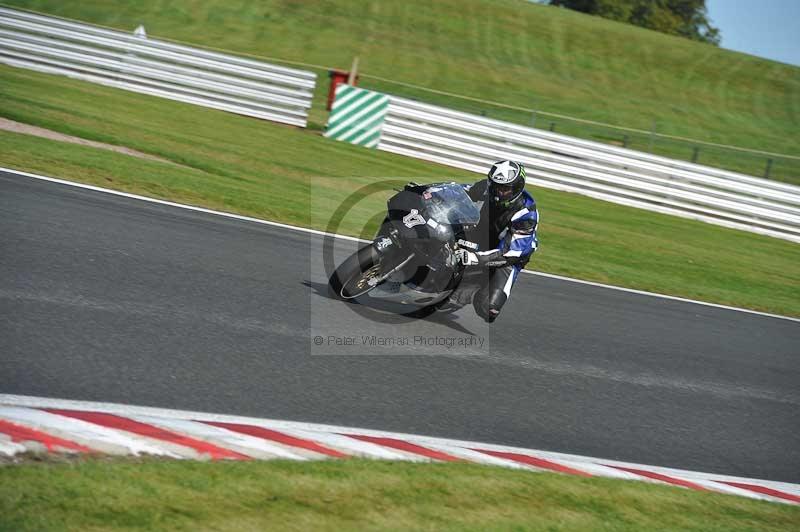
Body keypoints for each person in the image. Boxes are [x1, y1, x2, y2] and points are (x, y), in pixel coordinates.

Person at [454, 160, 539, 323]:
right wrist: (428, 192)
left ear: (517, 187)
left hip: (508, 257)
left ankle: (475, 285)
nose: (499, 192)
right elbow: (458, 192)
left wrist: (473, 258)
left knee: (488, 309)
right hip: (480, 236)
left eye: (505, 188)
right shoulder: (485, 188)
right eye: (496, 185)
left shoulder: (526, 214)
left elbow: (508, 253)